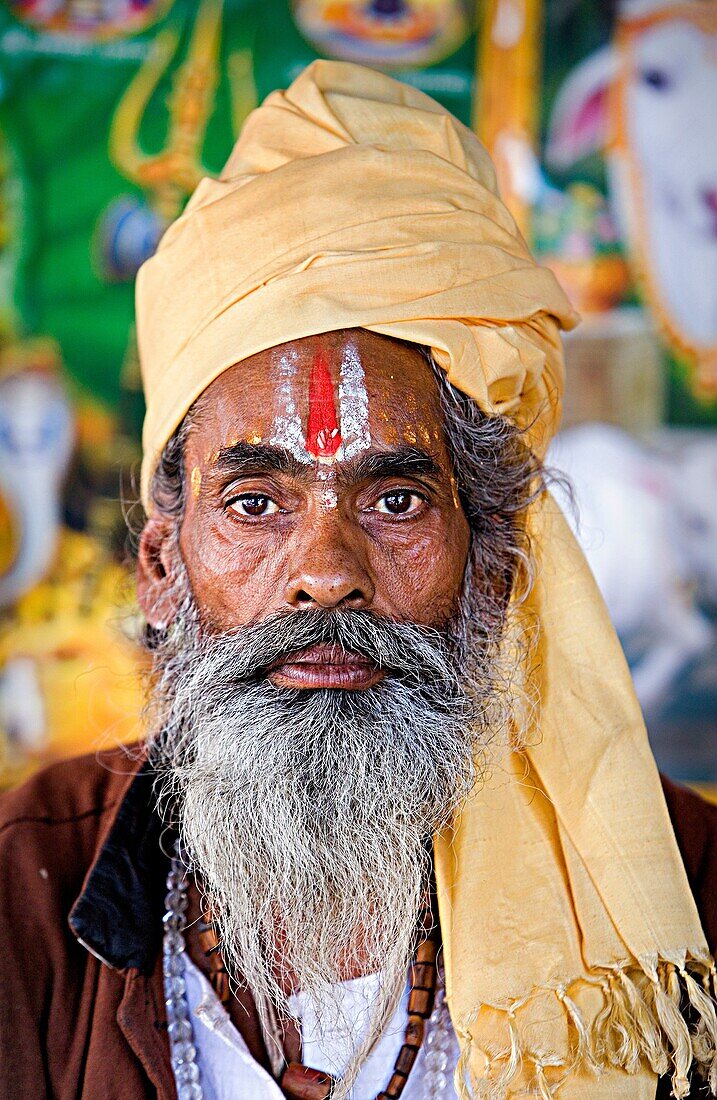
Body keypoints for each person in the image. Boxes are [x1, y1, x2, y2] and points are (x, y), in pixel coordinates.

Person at [1, 61, 717, 1100]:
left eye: (395, 502)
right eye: (255, 502)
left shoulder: (683, 910)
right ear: (162, 568)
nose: (327, 575)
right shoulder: (22, 900)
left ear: (497, 565)